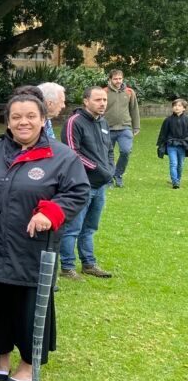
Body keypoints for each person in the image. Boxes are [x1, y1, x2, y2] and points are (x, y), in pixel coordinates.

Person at [0, 92, 89, 381]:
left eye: (31, 116)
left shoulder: (61, 156)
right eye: (16, 117)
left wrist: (50, 211)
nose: (24, 122)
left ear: (43, 120)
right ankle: (1, 358)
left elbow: (77, 192)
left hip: (30, 249)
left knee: (28, 306)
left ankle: (27, 364)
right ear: (7, 122)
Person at [59, 86, 115, 280]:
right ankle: (67, 267)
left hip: (101, 186)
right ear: (86, 101)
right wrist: (98, 169)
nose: (102, 103)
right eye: (98, 100)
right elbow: (71, 153)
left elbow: (109, 149)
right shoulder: (74, 122)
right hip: (81, 185)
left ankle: (89, 264)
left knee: (90, 227)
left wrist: (111, 169)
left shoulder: (104, 122)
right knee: (73, 228)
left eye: (104, 100)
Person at [103, 69, 140, 188]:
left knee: (125, 151)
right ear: (110, 79)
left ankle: (118, 174)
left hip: (125, 128)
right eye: (115, 79)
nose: (118, 81)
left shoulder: (129, 92)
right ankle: (108, 178)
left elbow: (134, 109)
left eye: (120, 78)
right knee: (107, 154)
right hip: (107, 128)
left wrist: (136, 126)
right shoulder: (104, 92)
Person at [157, 98, 187, 189]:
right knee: (173, 163)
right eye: (174, 106)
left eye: (179, 106)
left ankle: (178, 179)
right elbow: (163, 133)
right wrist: (161, 145)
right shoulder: (168, 120)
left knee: (180, 164)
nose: (176, 107)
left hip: (182, 145)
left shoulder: (187, 120)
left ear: (184, 108)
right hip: (171, 145)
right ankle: (175, 182)